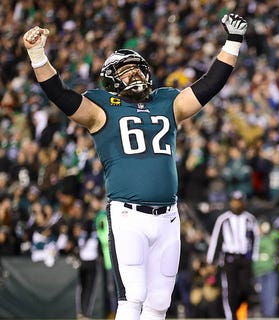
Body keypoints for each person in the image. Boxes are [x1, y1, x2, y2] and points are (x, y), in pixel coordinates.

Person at [22, 13, 248, 320]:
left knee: (158, 304)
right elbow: (60, 94)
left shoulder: (167, 102)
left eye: (137, 69)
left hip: (168, 216)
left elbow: (209, 86)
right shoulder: (102, 108)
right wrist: (37, 55)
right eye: (126, 71)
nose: (135, 75)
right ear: (112, 79)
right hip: (128, 215)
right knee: (132, 299)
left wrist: (232, 43)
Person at [206, 190, 260, 320]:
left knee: (245, 289)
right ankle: (232, 317)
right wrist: (211, 261)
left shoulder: (249, 219)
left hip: (244, 259)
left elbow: (255, 239)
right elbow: (216, 240)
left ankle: (242, 314)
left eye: (239, 201)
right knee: (230, 290)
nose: (236, 204)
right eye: (234, 201)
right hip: (229, 259)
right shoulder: (224, 219)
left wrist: (254, 257)